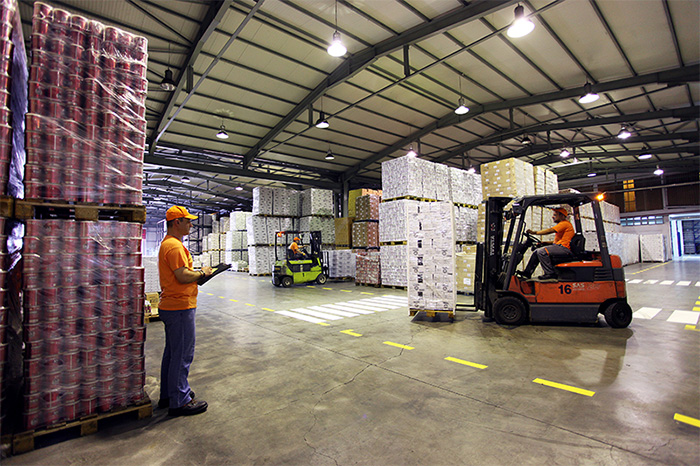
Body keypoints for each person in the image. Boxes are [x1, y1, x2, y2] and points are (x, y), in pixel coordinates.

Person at [158, 205, 213, 416]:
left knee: (172, 354)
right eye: (187, 221)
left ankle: (169, 394)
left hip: (172, 306)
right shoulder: (174, 247)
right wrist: (202, 272)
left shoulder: (169, 244)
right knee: (182, 355)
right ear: (176, 222)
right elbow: (182, 276)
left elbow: (179, 274)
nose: (191, 224)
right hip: (180, 306)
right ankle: (179, 401)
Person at [517, 207, 575, 280]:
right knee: (536, 252)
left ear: (562, 215)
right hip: (560, 247)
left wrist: (535, 232)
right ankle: (527, 273)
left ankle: (550, 273)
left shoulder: (564, 223)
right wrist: (544, 243)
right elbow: (555, 242)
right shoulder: (563, 225)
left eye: (555, 215)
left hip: (564, 249)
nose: (552, 217)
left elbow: (550, 230)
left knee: (542, 252)